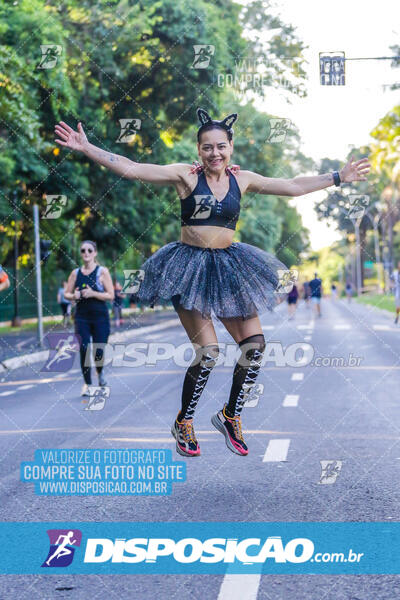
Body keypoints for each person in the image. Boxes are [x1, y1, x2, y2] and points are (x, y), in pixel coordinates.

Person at [54, 110, 370, 456]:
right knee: (208, 353)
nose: (215, 154)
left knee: (255, 345)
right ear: (199, 149)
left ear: (231, 147)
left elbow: (293, 187)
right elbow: (133, 169)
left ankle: (230, 415)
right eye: (207, 148)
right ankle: (184, 422)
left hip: (230, 267)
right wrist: (88, 148)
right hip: (189, 269)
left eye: (221, 147)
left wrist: (338, 176)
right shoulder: (185, 177)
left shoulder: (242, 179)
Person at [63, 241, 114, 396]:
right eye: (83, 250)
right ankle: (88, 384)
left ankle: (100, 372)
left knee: (99, 350)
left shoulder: (102, 272)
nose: (86, 253)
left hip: (100, 317)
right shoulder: (75, 273)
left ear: (95, 253)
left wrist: (93, 294)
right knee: (84, 349)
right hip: (82, 317)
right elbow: (66, 293)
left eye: (89, 250)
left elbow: (110, 295)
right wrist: (74, 295)